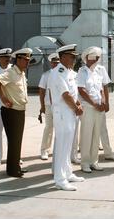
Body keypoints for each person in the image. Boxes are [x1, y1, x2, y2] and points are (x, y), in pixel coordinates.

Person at [48, 44, 85, 190]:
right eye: (71, 57)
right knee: (62, 146)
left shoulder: (69, 72)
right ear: (62, 57)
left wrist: (77, 105)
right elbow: (65, 95)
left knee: (68, 145)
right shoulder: (57, 72)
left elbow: (73, 93)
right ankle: (60, 179)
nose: (74, 59)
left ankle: (68, 172)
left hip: (70, 112)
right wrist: (76, 108)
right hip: (62, 113)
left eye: (75, 57)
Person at [0, 48, 32, 178]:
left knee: (17, 141)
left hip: (19, 110)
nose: (28, 62)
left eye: (28, 60)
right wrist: (3, 97)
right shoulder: (11, 72)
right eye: (25, 60)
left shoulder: (21, 73)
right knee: (14, 140)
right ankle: (12, 170)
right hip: (11, 111)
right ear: (18, 60)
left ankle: (15, 166)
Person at [77, 47, 107, 173]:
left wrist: (103, 102)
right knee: (87, 135)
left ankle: (94, 161)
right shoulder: (82, 72)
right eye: (93, 57)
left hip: (98, 108)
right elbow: (82, 90)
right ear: (87, 58)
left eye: (97, 57)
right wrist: (95, 104)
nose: (95, 59)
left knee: (96, 135)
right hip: (88, 108)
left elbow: (101, 89)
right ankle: (85, 163)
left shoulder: (97, 73)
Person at [95, 63, 114, 161]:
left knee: (103, 129)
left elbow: (105, 87)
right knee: (88, 131)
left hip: (100, 104)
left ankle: (108, 153)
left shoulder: (101, 69)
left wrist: (107, 102)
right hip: (88, 104)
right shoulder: (83, 70)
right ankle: (88, 156)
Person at [38, 53, 60, 160]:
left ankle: (59, 150)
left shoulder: (63, 74)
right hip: (49, 106)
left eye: (57, 62)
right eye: (54, 62)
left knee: (62, 129)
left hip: (62, 106)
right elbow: (41, 91)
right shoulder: (46, 75)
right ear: (51, 63)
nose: (55, 64)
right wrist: (42, 106)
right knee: (49, 127)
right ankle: (45, 150)